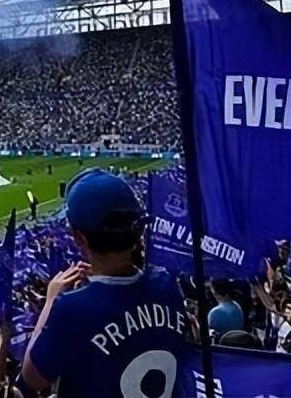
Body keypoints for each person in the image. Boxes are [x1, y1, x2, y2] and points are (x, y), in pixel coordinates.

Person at [22, 169, 189, 398]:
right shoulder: (167, 286)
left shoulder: (73, 308)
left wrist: (51, 300)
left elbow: (32, 377)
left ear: (79, 238)